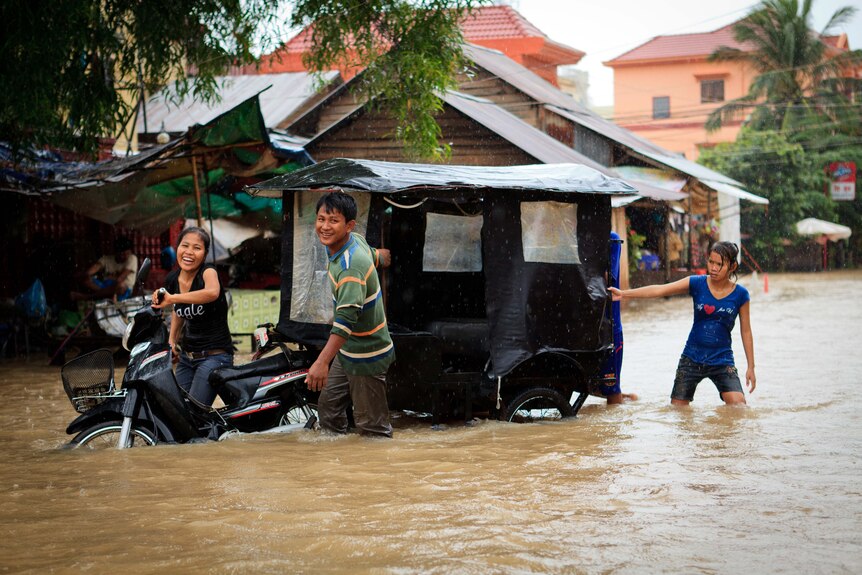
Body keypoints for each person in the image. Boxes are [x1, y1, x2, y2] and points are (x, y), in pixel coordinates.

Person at [609, 241, 755, 406]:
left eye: (719, 264)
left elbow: (746, 332)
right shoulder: (697, 283)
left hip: (722, 360)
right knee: (678, 412)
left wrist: (751, 366)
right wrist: (624, 294)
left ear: (732, 266)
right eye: (711, 262)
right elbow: (661, 289)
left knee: (738, 407)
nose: (713, 268)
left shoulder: (741, 295)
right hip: (691, 358)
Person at [305, 192, 395, 438]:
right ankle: (338, 469)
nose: (325, 226)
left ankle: (375, 472)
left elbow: (344, 323)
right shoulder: (354, 240)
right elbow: (374, 255)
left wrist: (321, 362)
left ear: (349, 226)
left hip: (368, 352)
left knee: (372, 429)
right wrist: (383, 257)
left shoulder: (350, 266)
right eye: (321, 219)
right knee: (329, 411)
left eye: (333, 221)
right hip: (348, 350)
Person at [151, 227, 233, 406]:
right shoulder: (173, 279)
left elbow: (212, 292)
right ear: (177, 248)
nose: (189, 252)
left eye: (197, 248)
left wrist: (172, 298)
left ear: (204, 254)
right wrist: (171, 341)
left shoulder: (208, 272)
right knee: (176, 408)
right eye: (185, 245)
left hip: (215, 357)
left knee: (196, 412)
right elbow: (178, 311)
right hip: (187, 359)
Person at [598, 231, 637, 404]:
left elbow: (608, 279)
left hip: (609, 326)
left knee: (612, 388)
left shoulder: (611, 239)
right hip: (582, 325)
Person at [72, 236, 138, 301]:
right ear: (116, 252)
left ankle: (87, 297)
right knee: (85, 279)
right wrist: (84, 275)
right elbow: (89, 272)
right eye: (122, 254)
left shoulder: (132, 258)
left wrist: (108, 278)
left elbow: (119, 279)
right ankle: (106, 295)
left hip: (121, 289)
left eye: (128, 253)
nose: (126, 256)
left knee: (121, 286)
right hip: (105, 286)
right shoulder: (106, 259)